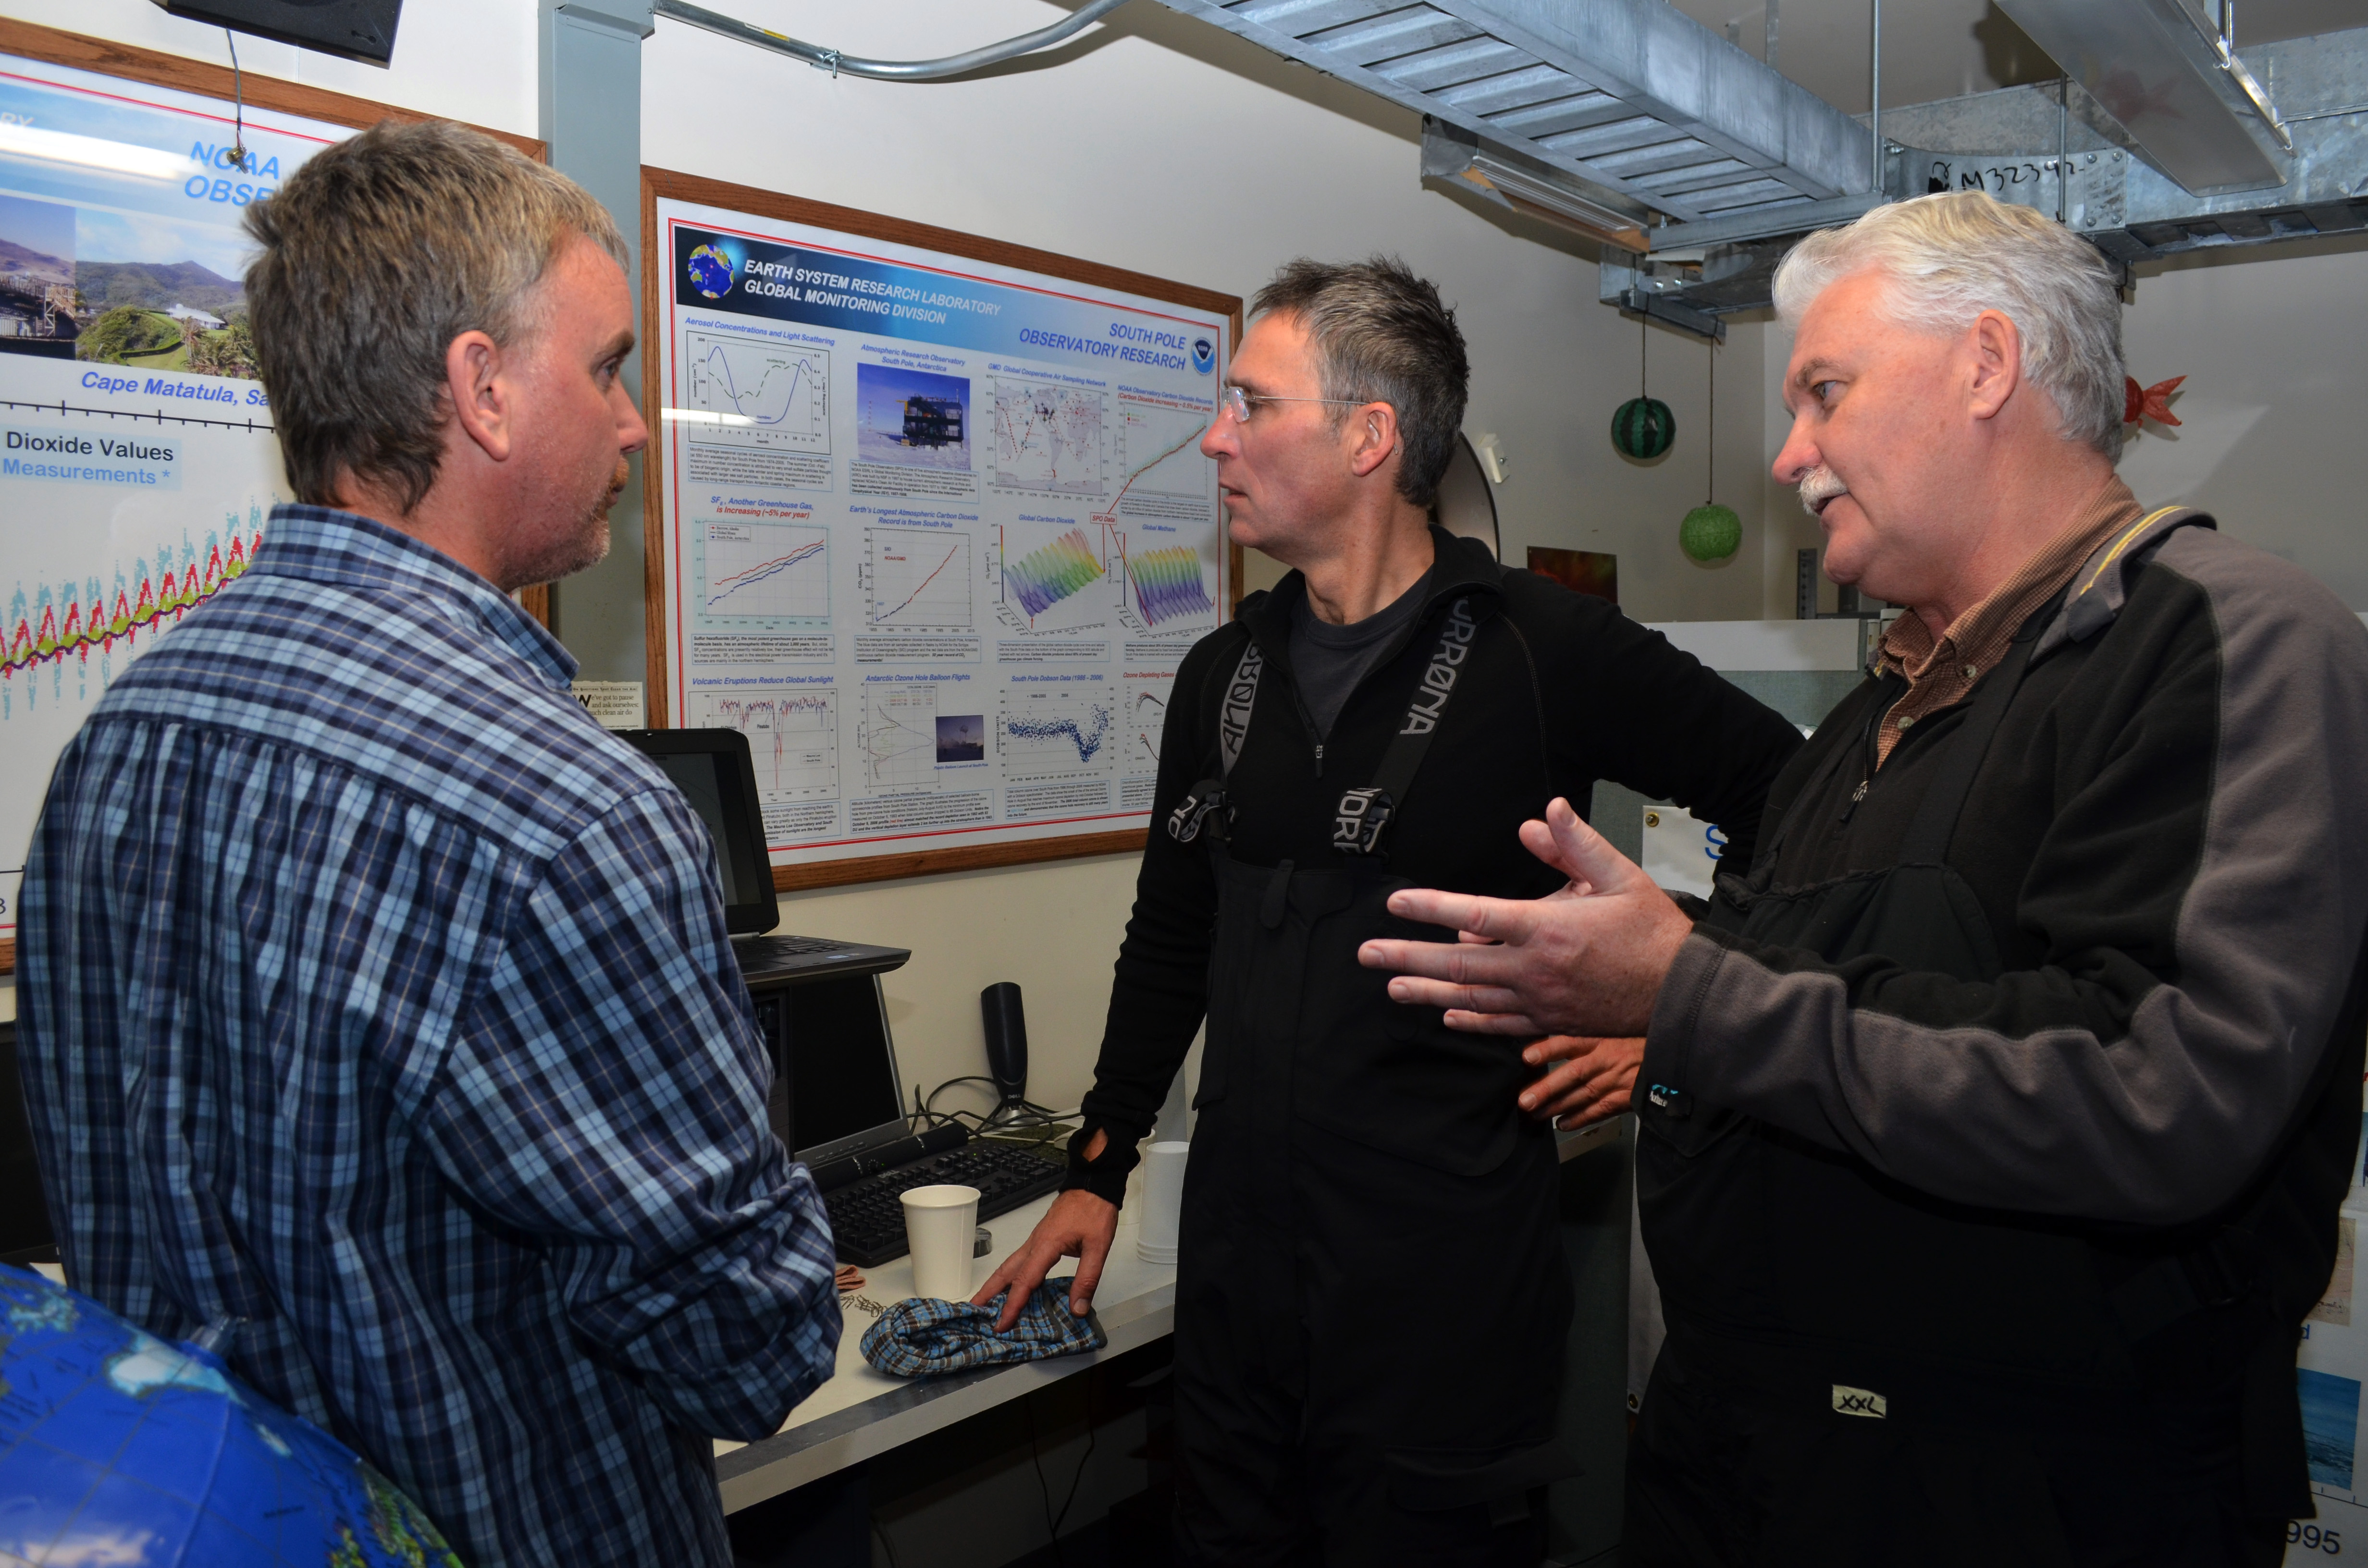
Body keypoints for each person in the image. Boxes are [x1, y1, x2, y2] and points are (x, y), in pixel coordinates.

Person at [1363, 190, 2368, 1566]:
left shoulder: (2231, 642)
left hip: (2034, 1506)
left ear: (1986, 366)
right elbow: (1838, 980)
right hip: (1752, 1465)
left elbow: (2162, 1094)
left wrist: (1687, 992)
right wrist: (1637, 977)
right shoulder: (1865, 718)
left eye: (1824, 393)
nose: (1790, 457)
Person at [15, 122, 840, 1567]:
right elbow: (750, 1348)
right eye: (606, 367)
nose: (635, 421)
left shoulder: (122, 737)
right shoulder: (565, 815)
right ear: (483, 391)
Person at [976, 256, 1803, 1565]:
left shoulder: (1544, 651)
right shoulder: (1220, 677)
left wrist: (1679, 1003)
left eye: (1251, 404)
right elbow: (1172, 930)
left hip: (1445, 1296)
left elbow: (1797, 797)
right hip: (1242, 1286)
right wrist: (1099, 1161)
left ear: (1371, 436)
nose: (1214, 436)